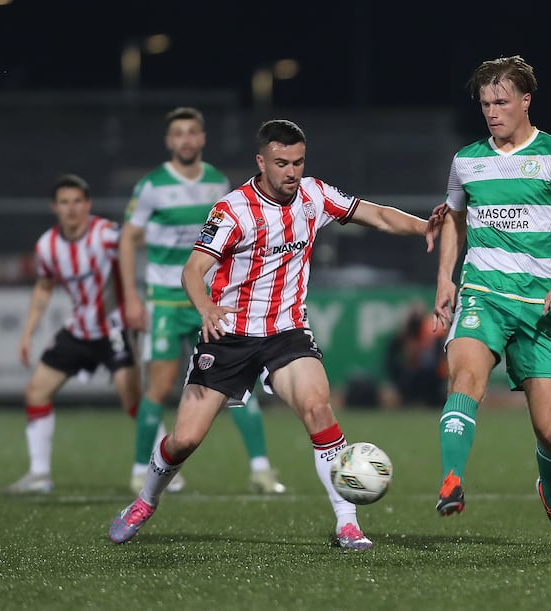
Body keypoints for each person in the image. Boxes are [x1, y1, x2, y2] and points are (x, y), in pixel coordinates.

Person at [109, 119, 443, 549]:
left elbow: (375, 214)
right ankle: (145, 501)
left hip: (287, 332)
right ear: (261, 162)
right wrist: (207, 307)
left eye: (298, 162)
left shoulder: (315, 195)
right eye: (281, 162)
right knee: (185, 438)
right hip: (229, 335)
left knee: (318, 409)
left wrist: (423, 227)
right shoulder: (231, 209)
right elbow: (193, 270)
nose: (291, 172)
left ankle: (347, 524)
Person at [432, 56, 551, 546]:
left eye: (502, 101)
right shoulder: (467, 160)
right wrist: (445, 280)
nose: (492, 112)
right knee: (466, 376)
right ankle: (451, 480)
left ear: (525, 101)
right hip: (483, 295)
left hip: (540, 309)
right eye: (485, 103)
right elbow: (451, 217)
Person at [119, 106, 285, 495]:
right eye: (178, 134)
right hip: (165, 300)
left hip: (212, 302)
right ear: (169, 141)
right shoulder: (152, 186)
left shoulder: (217, 183)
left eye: (192, 133)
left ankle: (261, 470)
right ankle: (139, 469)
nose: (186, 140)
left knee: (237, 386)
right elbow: (128, 237)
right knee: (158, 389)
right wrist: (130, 294)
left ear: (202, 138)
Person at [3, 174, 141, 494]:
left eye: (77, 201)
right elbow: (44, 287)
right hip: (78, 330)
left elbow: (134, 240)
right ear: (54, 207)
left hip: (114, 328)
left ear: (87, 204)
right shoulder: (47, 245)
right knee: (35, 392)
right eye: (64, 202)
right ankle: (39, 475)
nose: (71, 208)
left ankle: (167, 468)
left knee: (132, 398)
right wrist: (27, 334)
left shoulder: (106, 234)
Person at [384, 300, 447, 406]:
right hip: (413, 371)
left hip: (432, 373)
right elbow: (394, 355)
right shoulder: (405, 335)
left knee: (428, 368)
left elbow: (438, 355)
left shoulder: (432, 330)